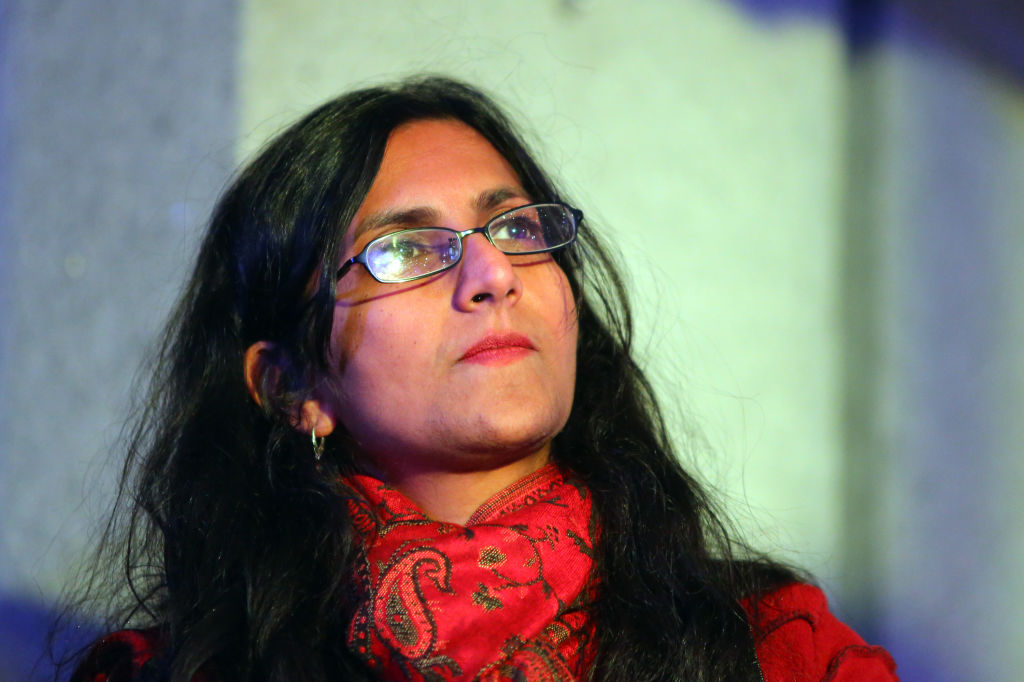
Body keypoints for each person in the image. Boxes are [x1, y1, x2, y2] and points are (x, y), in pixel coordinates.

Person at [64, 76, 897, 681]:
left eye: (516, 228)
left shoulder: (777, 650)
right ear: (291, 388)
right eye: (407, 250)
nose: (493, 273)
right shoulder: (166, 673)